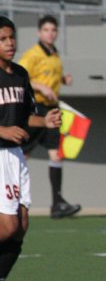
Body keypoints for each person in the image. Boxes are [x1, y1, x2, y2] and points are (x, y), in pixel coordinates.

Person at [0, 16, 62, 281]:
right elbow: (8, 126)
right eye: (2, 39)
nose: (9, 43)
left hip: (15, 156)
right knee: (9, 226)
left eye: (11, 38)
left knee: (21, 226)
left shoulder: (20, 75)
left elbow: (24, 117)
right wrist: (3, 131)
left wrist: (45, 120)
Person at [17, 15, 81, 219]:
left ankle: (57, 203)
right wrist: (42, 87)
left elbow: (48, 76)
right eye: (46, 30)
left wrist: (63, 79)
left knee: (56, 154)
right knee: (21, 155)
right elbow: (21, 76)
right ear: (39, 32)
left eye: (53, 30)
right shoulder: (32, 54)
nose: (50, 33)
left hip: (52, 110)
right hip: (35, 109)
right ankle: (12, 199)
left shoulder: (54, 54)